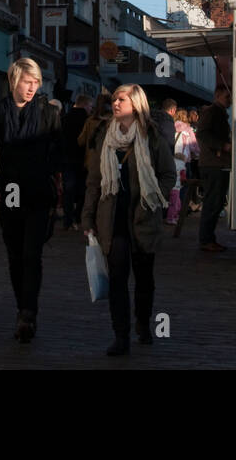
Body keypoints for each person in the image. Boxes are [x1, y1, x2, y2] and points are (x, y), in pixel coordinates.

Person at [83, 83, 177, 355]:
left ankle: (143, 323)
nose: (115, 103)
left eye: (121, 99)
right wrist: (87, 217)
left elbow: (168, 174)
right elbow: (94, 181)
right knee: (118, 279)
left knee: (144, 279)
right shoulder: (104, 135)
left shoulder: (152, 136)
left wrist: (154, 197)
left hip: (143, 216)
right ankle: (120, 335)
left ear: (136, 104)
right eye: (114, 99)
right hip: (112, 219)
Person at [0, 58, 61, 343]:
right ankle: (21, 307)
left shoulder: (48, 113)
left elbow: (59, 149)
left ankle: (28, 313)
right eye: (27, 82)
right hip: (10, 190)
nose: (32, 87)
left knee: (31, 254)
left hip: (38, 190)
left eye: (36, 82)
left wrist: (53, 176)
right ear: (14, 81)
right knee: (15, 255)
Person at [196, 87, 232, 252]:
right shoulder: (212, 112)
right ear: (217, 96)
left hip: (217, 163)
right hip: (213, 164)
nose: (230, 100)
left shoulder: (218, 113)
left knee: (215, 202)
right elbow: (202, 134)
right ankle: (206, 239)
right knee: (213, 202)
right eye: (227, 97)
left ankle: (208, 238)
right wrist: (221, 146)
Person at [60, 95, 92, 231]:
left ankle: (67, 219)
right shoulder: (87, 121)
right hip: (82, 160)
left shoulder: (64, 118)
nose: (91, 109)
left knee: (68, 191)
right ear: (85, 105)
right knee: (82, 191)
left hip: (67, 159)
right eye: (90, 106)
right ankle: (78, 218)